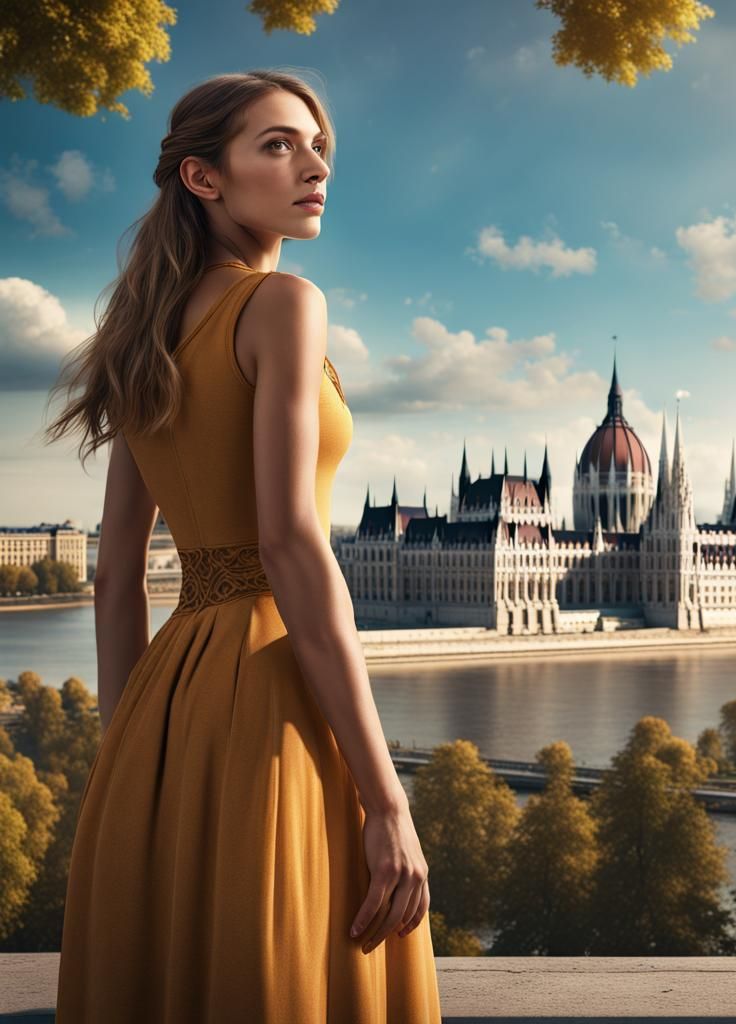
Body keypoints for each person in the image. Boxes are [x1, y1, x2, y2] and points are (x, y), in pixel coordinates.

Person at [43, 69, 443, 1022]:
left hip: (164, 703)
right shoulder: (284, 306)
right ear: (202, 178)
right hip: (273, 689)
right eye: (277, 145)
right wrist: (387, 799)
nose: (313, 167)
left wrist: (126, 759)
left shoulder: (141, 335)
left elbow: (114, 580)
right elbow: (290, 543)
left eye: (318, 148)